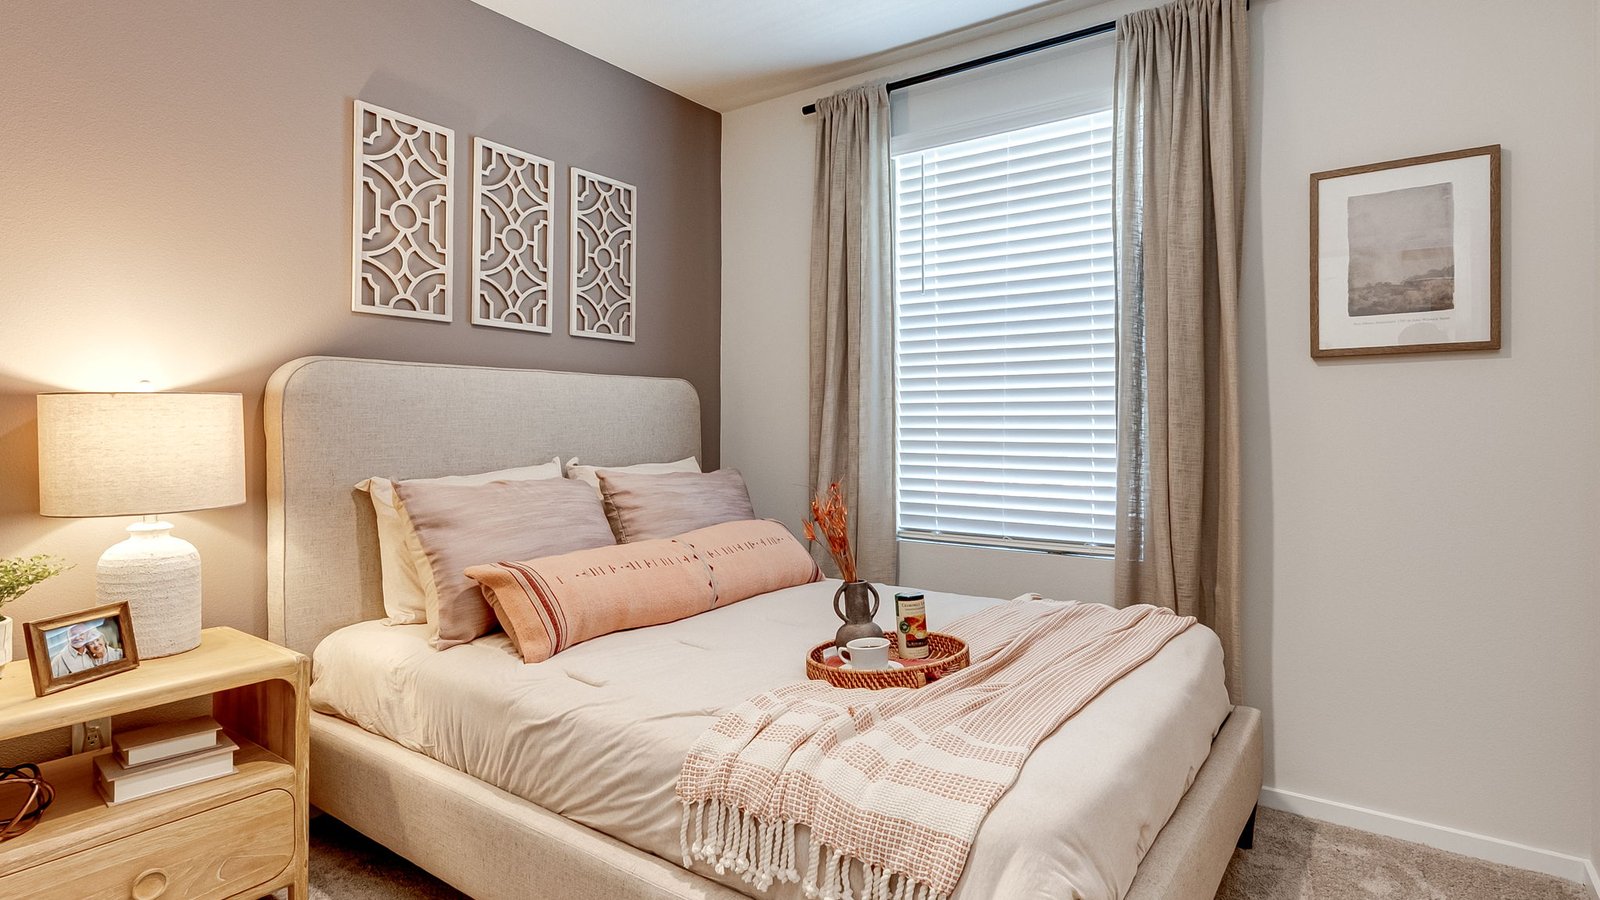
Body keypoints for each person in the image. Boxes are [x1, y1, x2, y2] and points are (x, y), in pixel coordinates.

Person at [49, 623, 123, 677]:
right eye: (73, 635)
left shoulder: (92, 654)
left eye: (81, 634)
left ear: (86, 636)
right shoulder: (58, 660)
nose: (77, 638)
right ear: (68, 637)